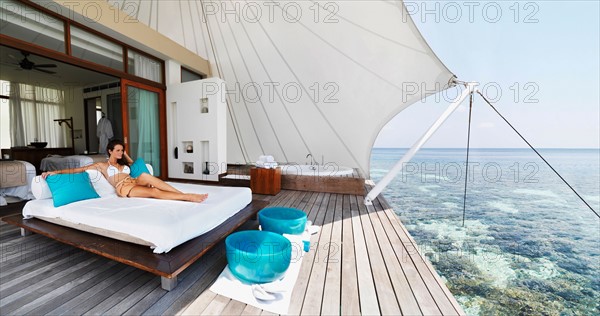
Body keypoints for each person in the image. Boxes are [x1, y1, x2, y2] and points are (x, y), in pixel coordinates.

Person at [42, 139, 208, 203]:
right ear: (110, 151)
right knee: (154, 191)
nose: (120, 153)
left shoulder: (124, 163)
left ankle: (183, 195)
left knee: (144, 175)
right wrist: (55, 172)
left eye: (122, 150)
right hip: (123, 188)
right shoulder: (102, 166)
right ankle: (186, 197)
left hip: (133, 181)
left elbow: (134, 164)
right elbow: (78, 169)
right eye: (118, 150)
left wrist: (125, 153)